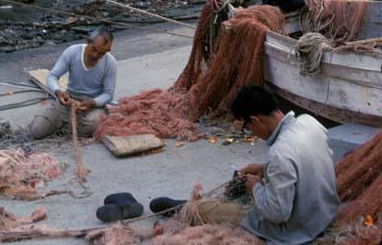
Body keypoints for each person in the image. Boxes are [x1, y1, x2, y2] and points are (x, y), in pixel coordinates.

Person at [151, 85, 339, 244]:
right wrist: (264, 169)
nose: (251, 133)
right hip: (324, 214)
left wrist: (255, 187)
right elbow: (305, 163)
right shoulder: (309, 122)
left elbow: (278, 213)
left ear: (256, 119)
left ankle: (187, 208)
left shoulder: (280, 153)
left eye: (248, 127)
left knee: (212, 210)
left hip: (297, 230)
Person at [30, 30, 116, 139]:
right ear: (88, 41)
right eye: (94, 49)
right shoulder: (72, 52)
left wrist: (93, 102)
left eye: (101, 53)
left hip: (93, 105)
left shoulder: (110, 63)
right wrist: (58, 92)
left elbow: (108, 94)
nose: (96, 55)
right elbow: (53, 76)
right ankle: (69, 125)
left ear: (108, 50)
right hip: (70, 98)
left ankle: (67, 125)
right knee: (37, 130)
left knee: (93, 124)